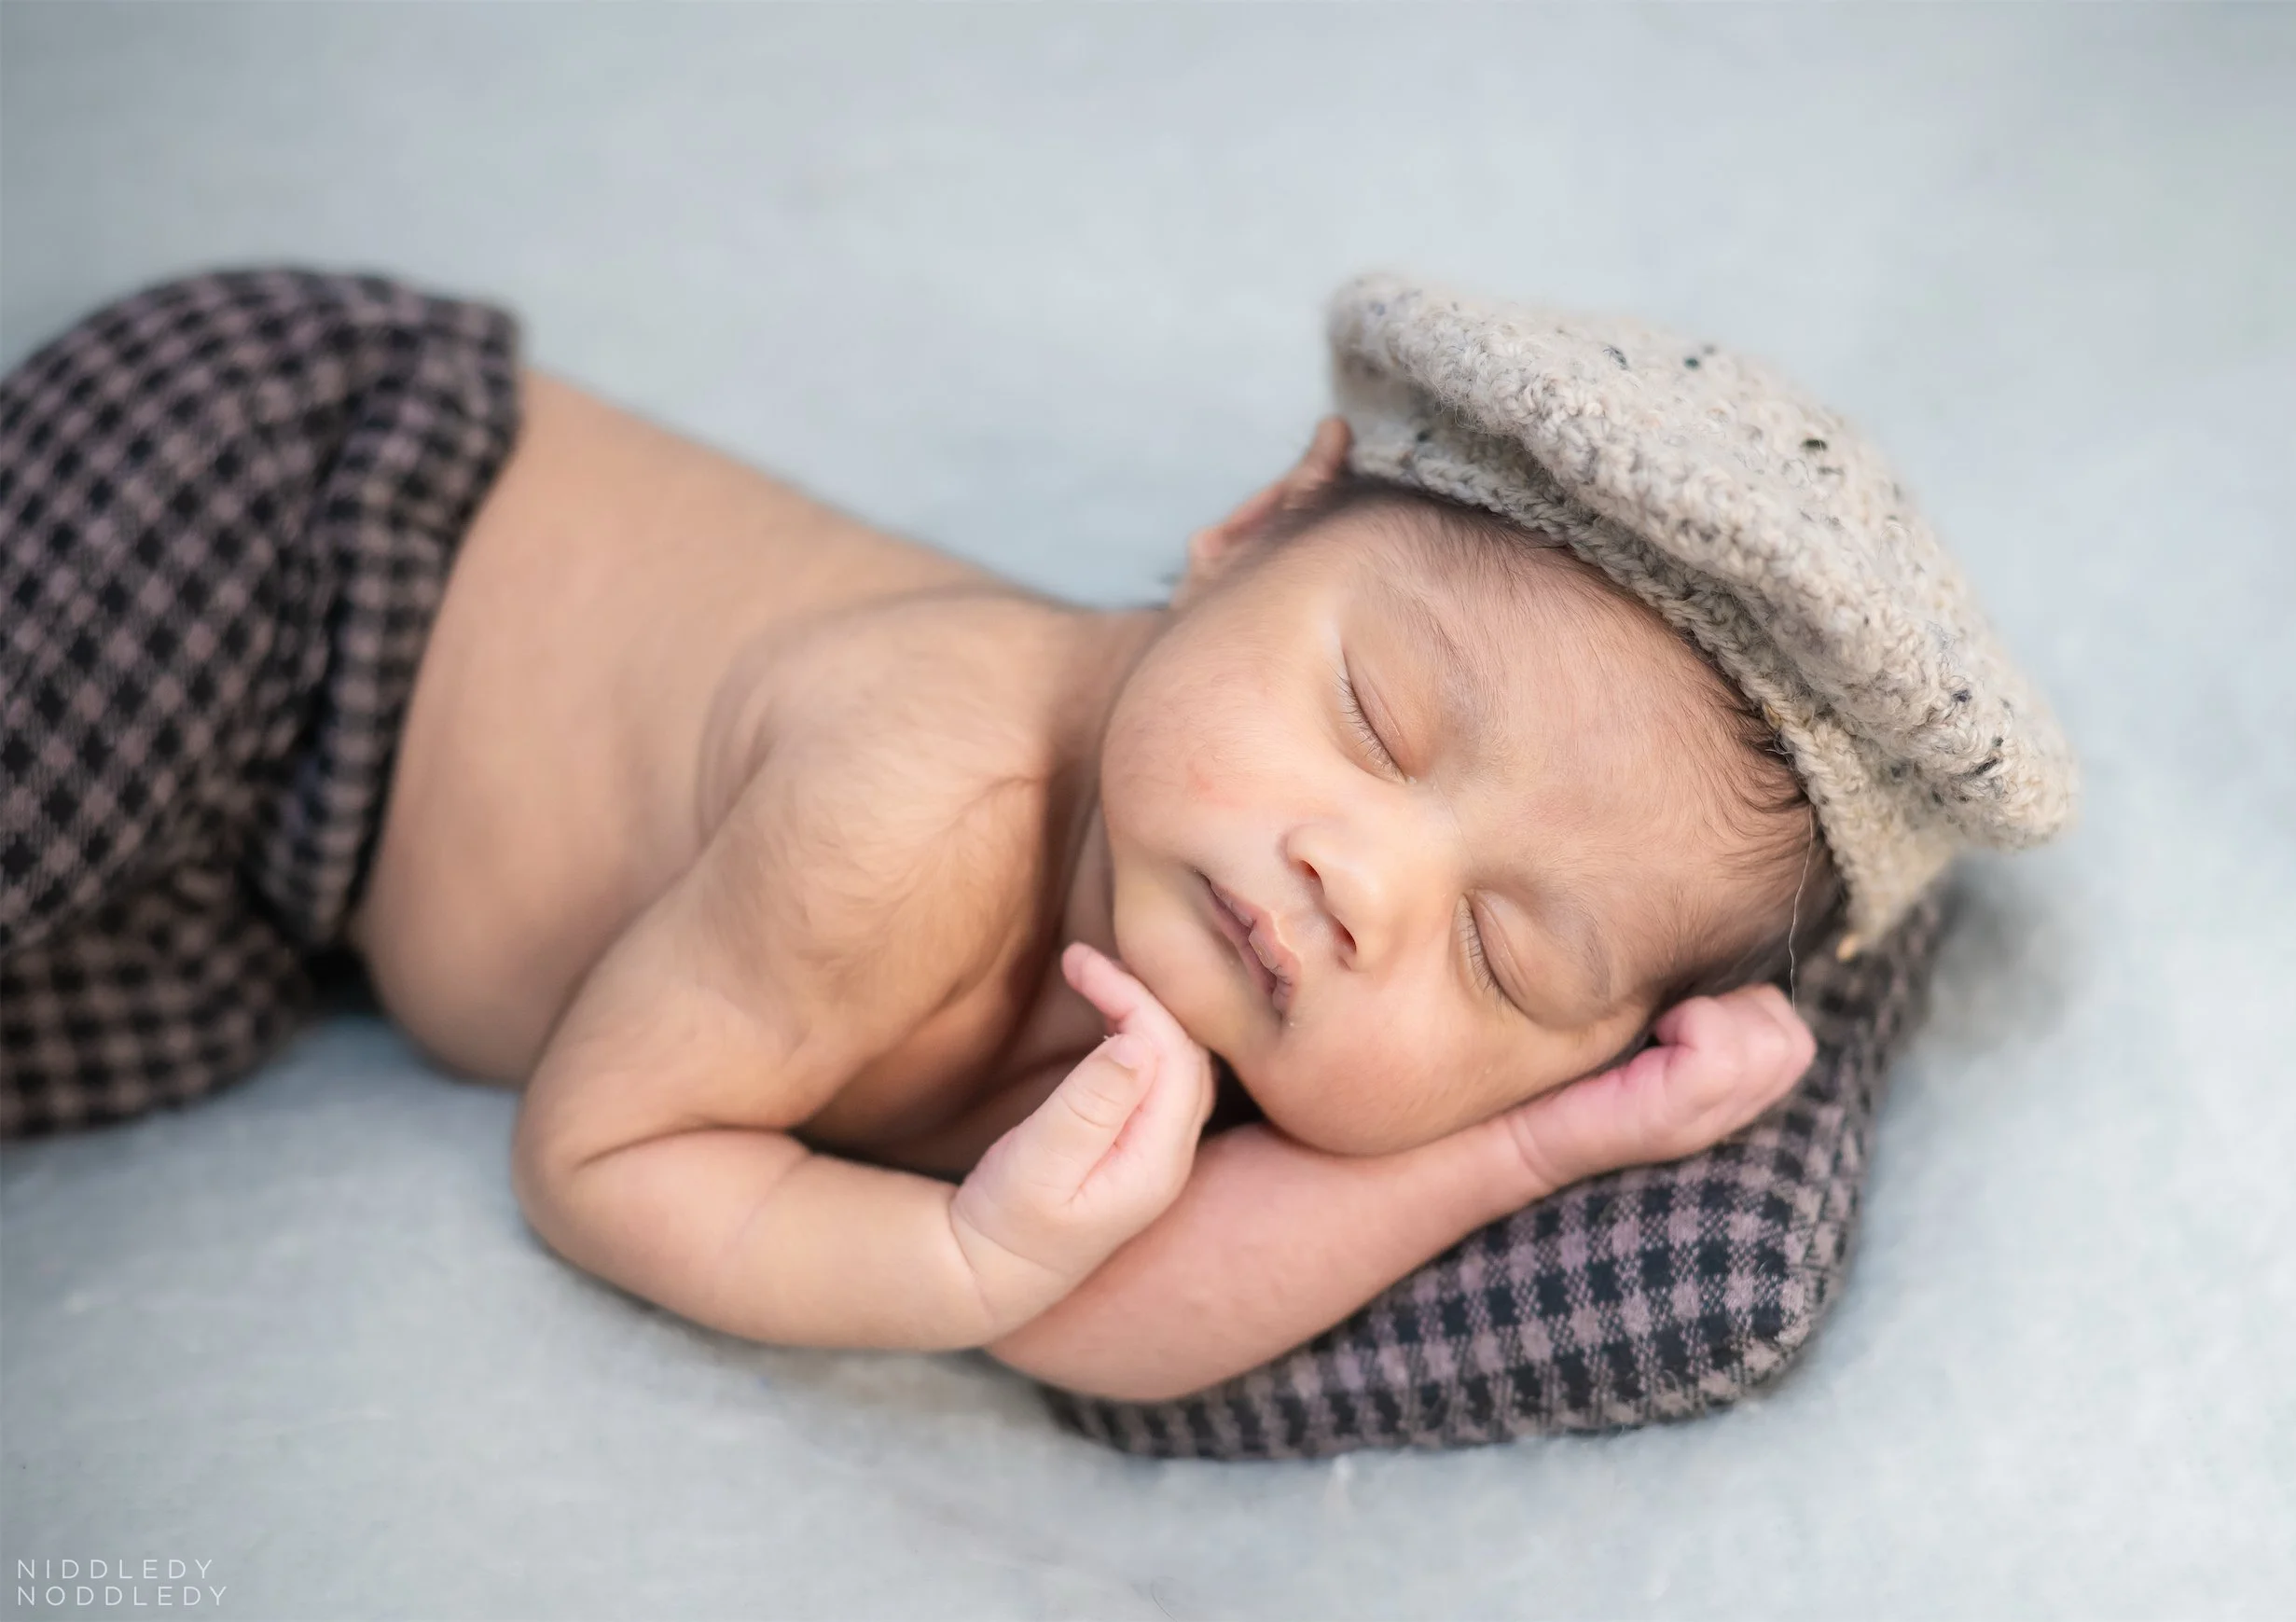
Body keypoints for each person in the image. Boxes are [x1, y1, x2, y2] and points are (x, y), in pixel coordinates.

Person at [0, 267, 2074, 1405]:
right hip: (296, 512)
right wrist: (950, 1252)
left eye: (1506, 962)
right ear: (1252, 527)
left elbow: (1116, 1320)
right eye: (1376, 714)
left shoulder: (1243, 973)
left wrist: (1537, 1138)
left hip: (286, 892)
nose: (1369, 885)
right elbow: (600, 1154)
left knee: (99, 1041)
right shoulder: (929, 797)